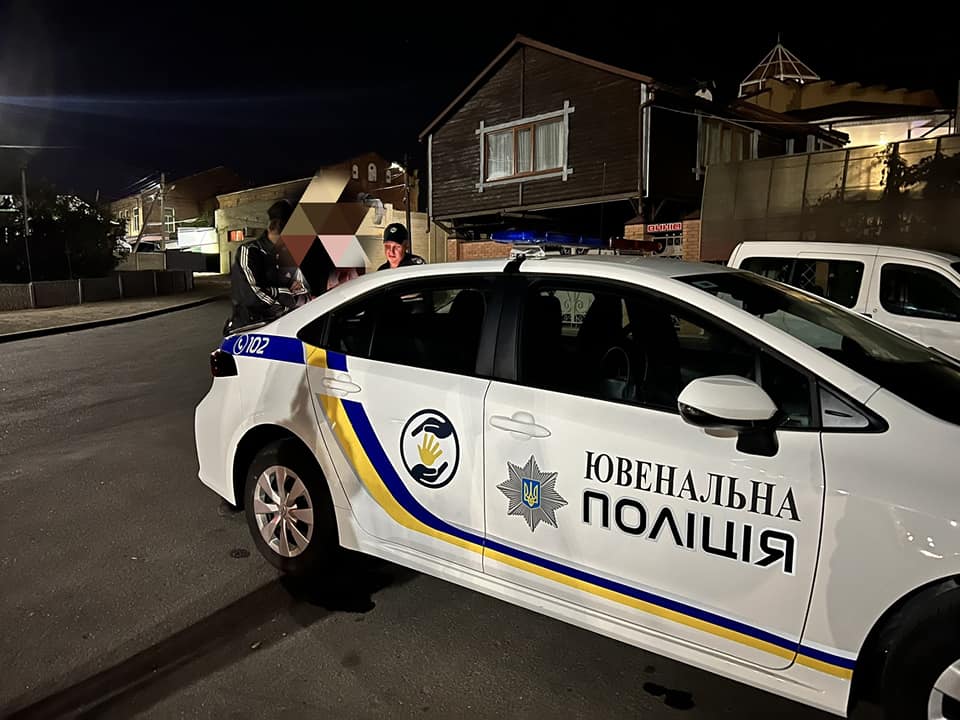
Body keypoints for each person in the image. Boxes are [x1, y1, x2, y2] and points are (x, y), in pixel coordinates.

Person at [224, 199, 308, 334]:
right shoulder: (249, 251)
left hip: (283, 325)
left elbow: (303, 288)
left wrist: (277, 292)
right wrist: (285, 298)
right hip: (252, 327)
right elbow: (252, 294)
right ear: (272, 228)